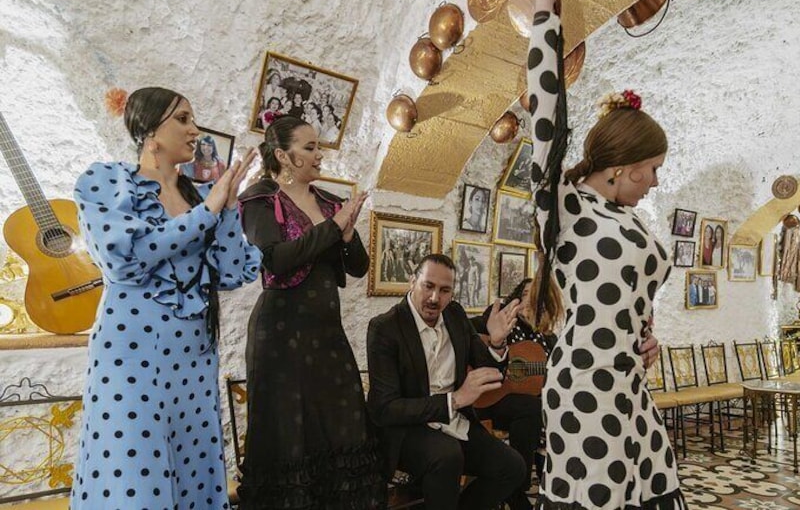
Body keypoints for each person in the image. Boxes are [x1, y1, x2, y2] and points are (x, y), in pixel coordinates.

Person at [522, 0, 685, 508]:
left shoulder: (628, 218)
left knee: (652, 490)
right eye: (654, 170)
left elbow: (629, 293)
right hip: (585, 388)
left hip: (629, 385)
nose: (657, 182)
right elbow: (547, 115)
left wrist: (646, 332)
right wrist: (546, 9)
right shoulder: (563, 205)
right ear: (624, 166)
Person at [70, 87, 261, 509]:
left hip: (193, 358)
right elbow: (125, 258)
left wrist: (227, 208)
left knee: (193, 469)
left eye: (194, 120)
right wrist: (208, 210)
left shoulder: (198, 194)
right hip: (131, 353)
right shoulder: (107, 181)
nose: (195, 130)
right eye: (183, 119)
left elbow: (232, 272)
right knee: (133, 472)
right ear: (150, 129)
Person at [237, 115, 385, 509]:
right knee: (288, 437)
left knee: (343, 430)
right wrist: (333, 228)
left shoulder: (328, 202)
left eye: (318, 147)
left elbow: (357, 267)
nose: (319, 155)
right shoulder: (260, 198)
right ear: (284, 156)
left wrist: (348, 234)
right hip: (281, 339)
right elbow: (276, 259)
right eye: (310, 148)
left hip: (326, 335)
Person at [366, 254, 527, 510]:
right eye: (428, 286)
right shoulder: (385, 328)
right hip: (408, 430)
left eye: (444, 290)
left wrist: (496, 343)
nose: (434, 298)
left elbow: (489, 370)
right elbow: (385, 408)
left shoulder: (454, 314)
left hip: (455, 423)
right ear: (412, 282)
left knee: (513, 468)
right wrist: (454, 400)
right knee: (447, 455)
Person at [469, 276, 564, 510]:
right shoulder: (499, 316)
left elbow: (557, 372)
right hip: (489, 397)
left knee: (542, 409)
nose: (531, 300)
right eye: (526, 294)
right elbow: (467, 333)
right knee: (533, 409)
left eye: (537, 296)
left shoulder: (547, 336)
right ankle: (517, 489)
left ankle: (545, 488)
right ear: (518, 296)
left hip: (527, 408)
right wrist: (494, 342)